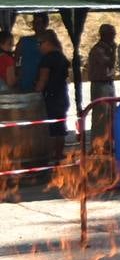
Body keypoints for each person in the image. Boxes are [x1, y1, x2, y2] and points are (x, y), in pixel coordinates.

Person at [33, 29, 70, 161]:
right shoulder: (61, 56)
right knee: (59, 127)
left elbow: (42, 81)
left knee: (50, 129)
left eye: (39, 43)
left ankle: (50, 155)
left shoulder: (47, 59)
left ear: (47, 43)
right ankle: (58, 154)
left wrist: (34, 96)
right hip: (62, 96)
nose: (38, 47)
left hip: (50, 98)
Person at [16, 13, 50, 92]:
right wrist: (18, 69)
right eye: (35, 22)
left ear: (45, 24)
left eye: (40, 22)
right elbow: (16, 58)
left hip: (43, 84)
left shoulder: (50, 42)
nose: (37, 25)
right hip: (25, 81)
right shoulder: (24, 41)